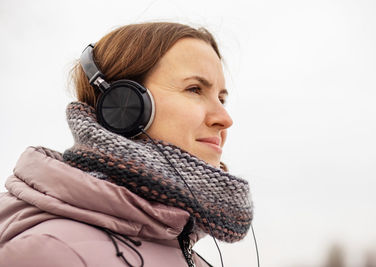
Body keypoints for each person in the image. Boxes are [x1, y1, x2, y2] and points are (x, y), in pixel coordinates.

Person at [0, 22, 253, 267]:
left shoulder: (181, 249)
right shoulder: (52, 254)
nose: (225, 119)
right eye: (195, 89)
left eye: (221, 98)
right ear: (124, 105)